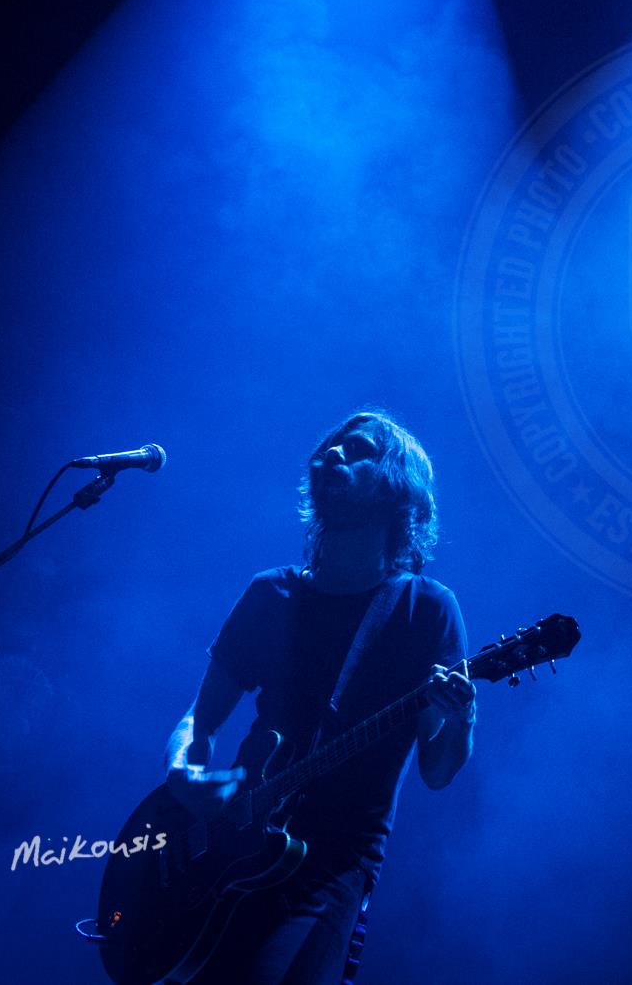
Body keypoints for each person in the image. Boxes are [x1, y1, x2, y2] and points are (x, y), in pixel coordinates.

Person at [164, 410, 475, 985]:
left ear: (397, 489)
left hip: (332, 869)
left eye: (357, 451)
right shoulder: (271, 592)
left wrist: (461, 719)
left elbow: (437, 771)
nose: (332, 455)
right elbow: (199, 720)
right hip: (230, 848)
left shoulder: (427, 609)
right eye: (330, 448)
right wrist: (183, 768)